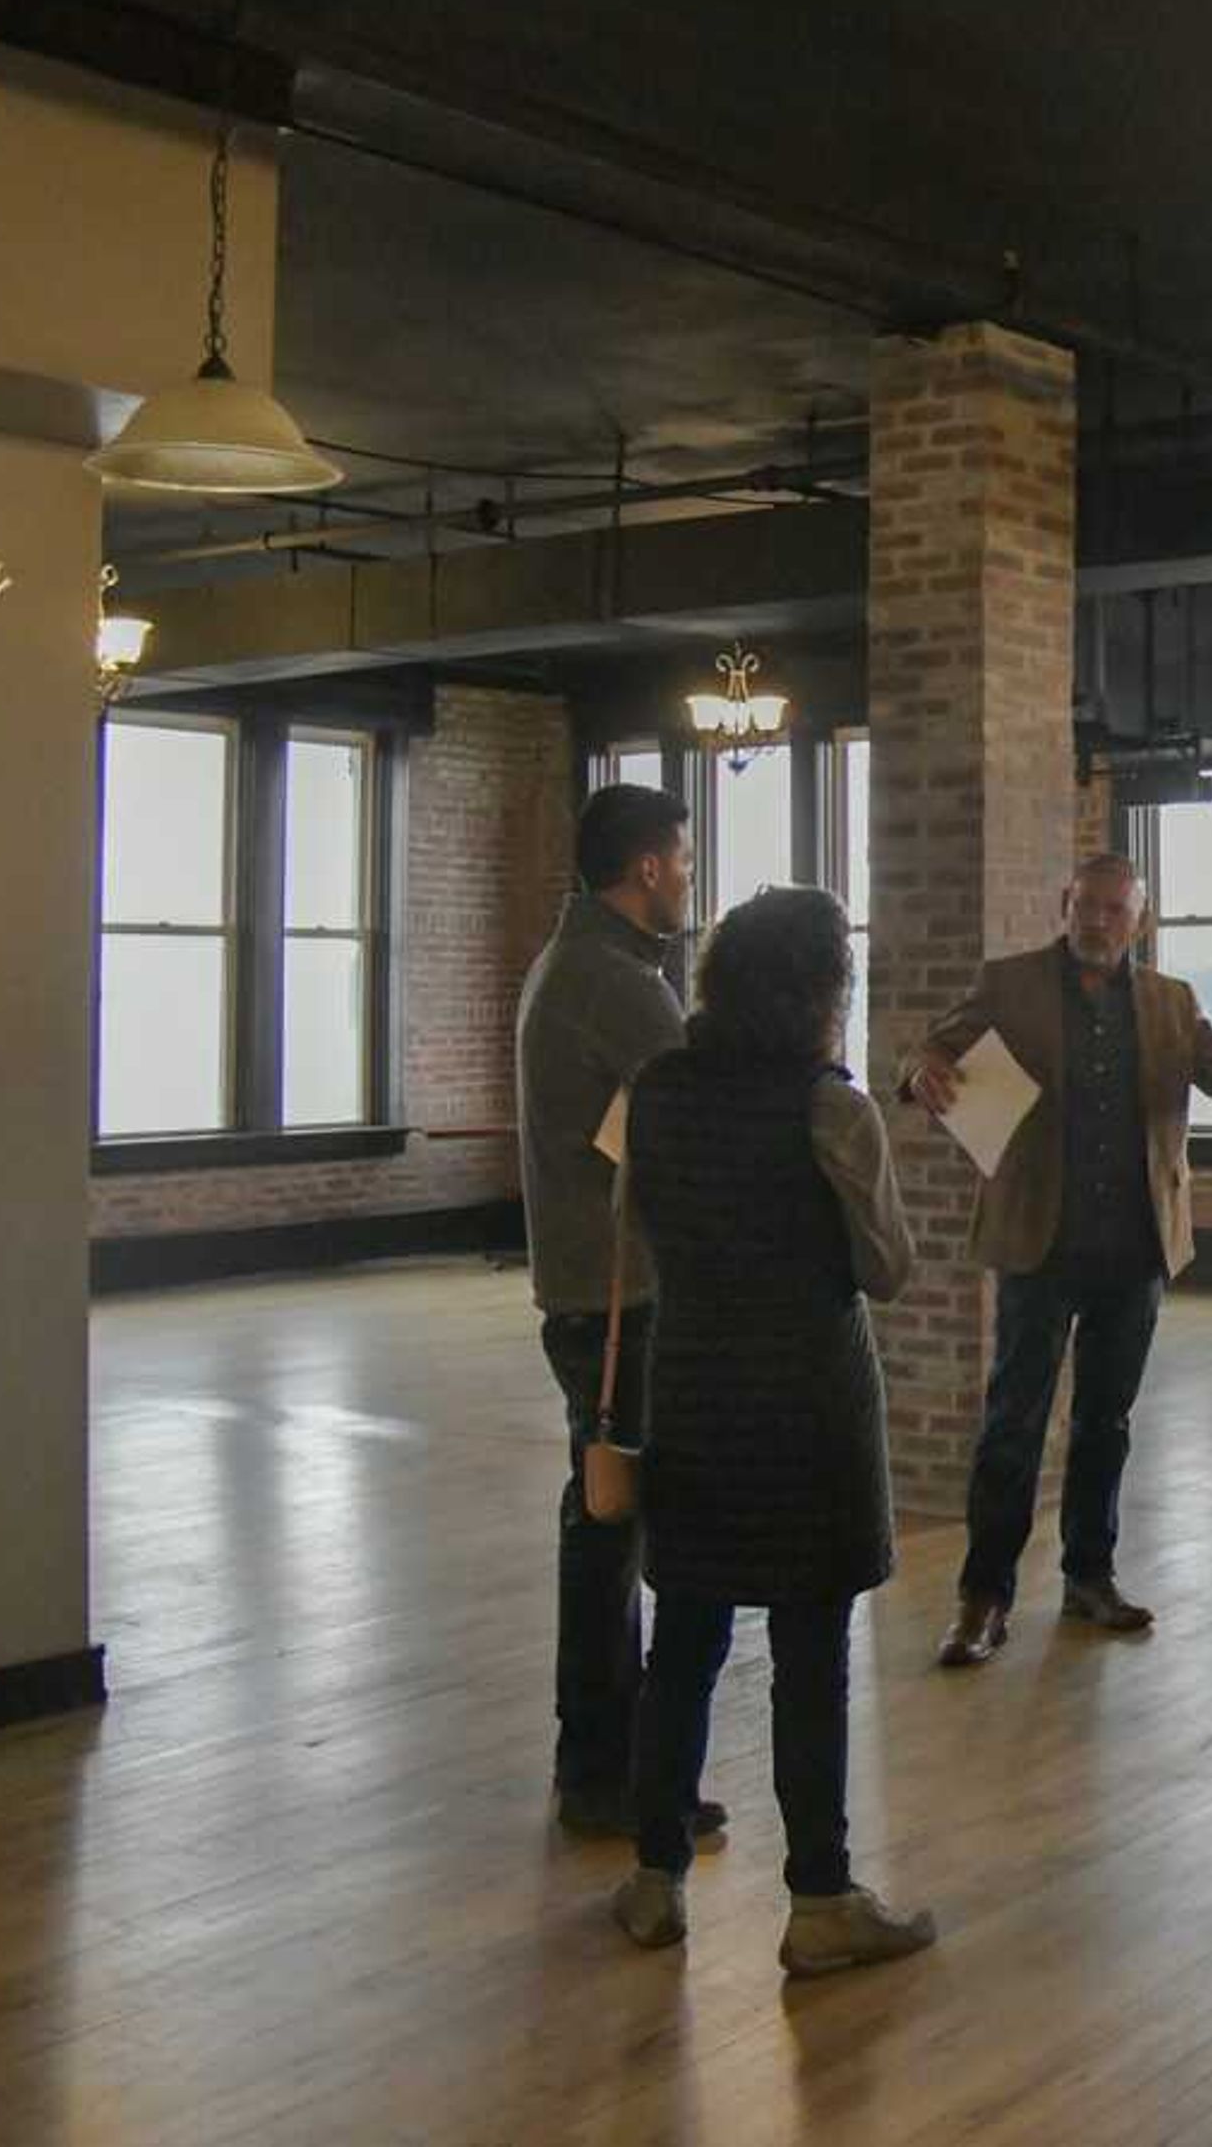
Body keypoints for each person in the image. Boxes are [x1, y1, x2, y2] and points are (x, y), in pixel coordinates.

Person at [603, 887, 935, 1978]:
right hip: (805, 1402)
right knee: (809, 1657)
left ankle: (655, 1877)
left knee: (684, 1647)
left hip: (693, 1388)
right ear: (820, 990)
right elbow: (886, 1266)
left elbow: (636, 1230)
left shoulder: (653, 1090)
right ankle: (820, 1896)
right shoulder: (828, 1106)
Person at [899, 853, 1212, 1668]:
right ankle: (984, 1595)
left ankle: (1089, 1576)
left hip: (1135, 1241)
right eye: (1086, 906)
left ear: (1139, 919)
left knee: (1107, 1421)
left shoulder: (1171, 1000)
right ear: (1065, 905)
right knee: (1012, 1422)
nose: (1098, 921)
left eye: (1115, 910)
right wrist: (919, 1070)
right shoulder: (1011, 984)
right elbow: (930, 1051)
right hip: (1039, 1236)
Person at [514, 780, 698, 1841]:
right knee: (611, 1528)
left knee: (603, 1517)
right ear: (645, 870)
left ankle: (608, 1759)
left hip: (590, 1289)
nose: (685, 878)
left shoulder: (572, 960)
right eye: (679, 860)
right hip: (620, 1292)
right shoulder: (616, 980)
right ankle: (607, 1768)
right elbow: (691, 1109)